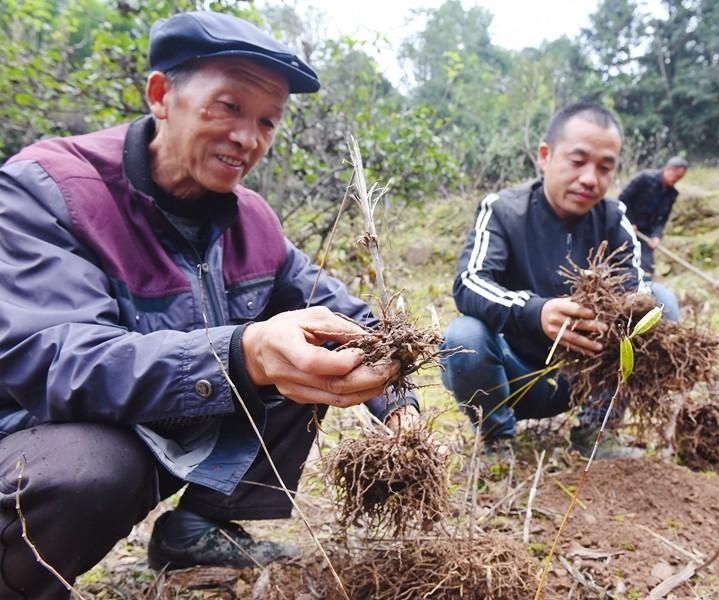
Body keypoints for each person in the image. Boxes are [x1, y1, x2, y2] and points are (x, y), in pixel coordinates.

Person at [0, 11, 418, 597]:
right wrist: (242, 353)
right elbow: (58, 360)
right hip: (39, 434)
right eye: (228, 106)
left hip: (163, 422)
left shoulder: (253, 221)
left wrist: (399, 401)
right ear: (161, 95)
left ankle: (194, 531)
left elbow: (343, 316)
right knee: (90, 471)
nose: (248, 138)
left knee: (305, 349)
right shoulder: (49, 190)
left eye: (267, 121)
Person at [440, 102, 655, 461]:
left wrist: (625, 310)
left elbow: (638, 286)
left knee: (658, 305)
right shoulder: (504, 211)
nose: (590, 178)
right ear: (545, 155)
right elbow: (469, 281)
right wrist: (535, 312)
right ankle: (497, 438)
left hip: (584, 376)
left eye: (605, 168)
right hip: (512, 376)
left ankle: (596, 431)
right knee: (464, 337)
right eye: (577, 160)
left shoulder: (613, 217)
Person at [618, 157, 688, 319]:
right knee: (624, 263)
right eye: (676, 177)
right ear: (668, 169)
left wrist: (656, 236)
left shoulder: (672, 193)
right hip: (626, 228)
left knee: (646, 268)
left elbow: (662, 219)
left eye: (680, 179)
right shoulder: (643, 179)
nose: (676, 181)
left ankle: (645, 307)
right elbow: (622, 200)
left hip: (646, 235)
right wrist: (628, 221)